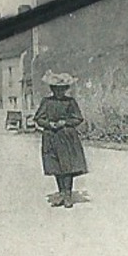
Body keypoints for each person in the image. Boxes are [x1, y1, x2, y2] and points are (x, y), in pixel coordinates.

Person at [35, 72, 88, 207]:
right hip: (51, 137)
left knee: (68, 166)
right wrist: (49, 124)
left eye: (62, 89)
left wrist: (65, 122)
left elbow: (78, 118)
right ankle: (61, 193)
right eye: (56, 89)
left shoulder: (70, 102)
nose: (59, 92)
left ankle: (68, 195)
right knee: (56, 166)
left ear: (66, 89)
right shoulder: (46, 102)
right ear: (52, 89)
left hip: (67, 137)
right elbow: (39, 118)